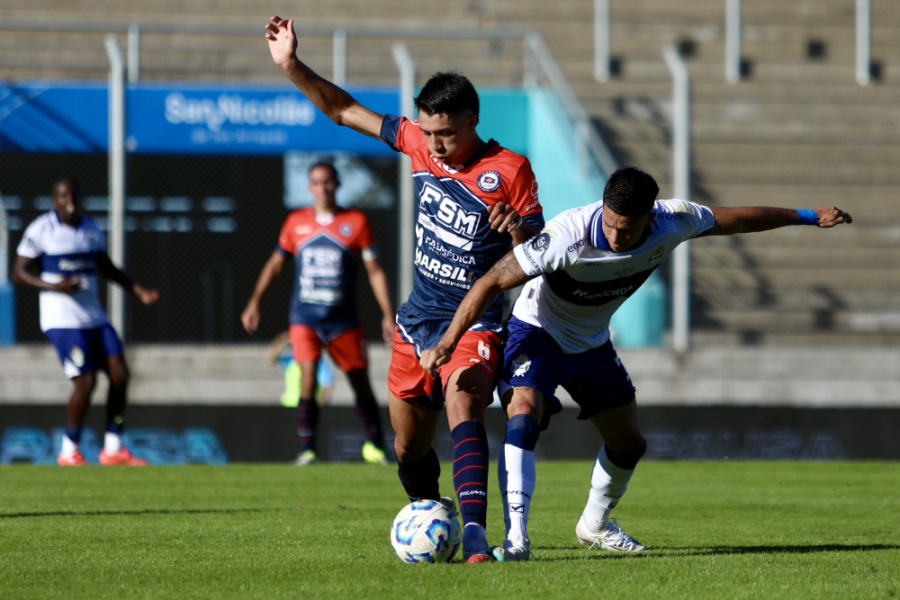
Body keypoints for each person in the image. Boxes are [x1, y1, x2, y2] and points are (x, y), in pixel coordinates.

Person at [420, 166, 853, 561]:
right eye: (609, 224)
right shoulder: (568, 234)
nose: (614, 237)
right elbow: (492, 280)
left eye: (626, 230)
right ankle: (517, 539)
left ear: (650, 218)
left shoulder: (675, 220)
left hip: (591, 343)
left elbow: (738, 219)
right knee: (524, 411)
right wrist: (448, 342)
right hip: (537, 332)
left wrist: (809, 216)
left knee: (629, 445)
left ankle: (596, 525)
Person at [264, 16, 544, 563]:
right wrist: (292, 66)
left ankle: (476, 536)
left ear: (473, 120)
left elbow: (538, 237)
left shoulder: (509, 169)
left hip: (475, 319)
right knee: (407, 446)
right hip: (416, 322)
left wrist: (517, 227)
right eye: (430, 133)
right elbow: (343, 111)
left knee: (465, 402)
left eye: (448, 134)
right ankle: (428, 517)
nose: (437, 145)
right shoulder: (418, 143)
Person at [241, 161, 394, 466]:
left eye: (327, 182)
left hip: (343, 320)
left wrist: (387, 314)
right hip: (305, 318)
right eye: (316, 182)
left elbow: (374, 270)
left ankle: (374, 444)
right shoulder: (296, 222)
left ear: (337, 184)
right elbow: (275, 265)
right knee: (308, 377)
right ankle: (308, 449)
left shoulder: (356, 222)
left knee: (359, 380)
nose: (322, 188)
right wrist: (255, 301)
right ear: (309, 187)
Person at [13, 177, 160, 466]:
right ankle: (69, 451)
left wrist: (137, 289)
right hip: (63, 319)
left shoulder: (90, 229)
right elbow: (19, 272)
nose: (70, 200)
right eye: (63, 195)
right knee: (86, 381)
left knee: (120, 374)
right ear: (54, 199)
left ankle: (114, 447)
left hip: (94, 317)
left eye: (74, 195)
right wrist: (55, 286)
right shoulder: (42, 230)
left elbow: (106, 267)